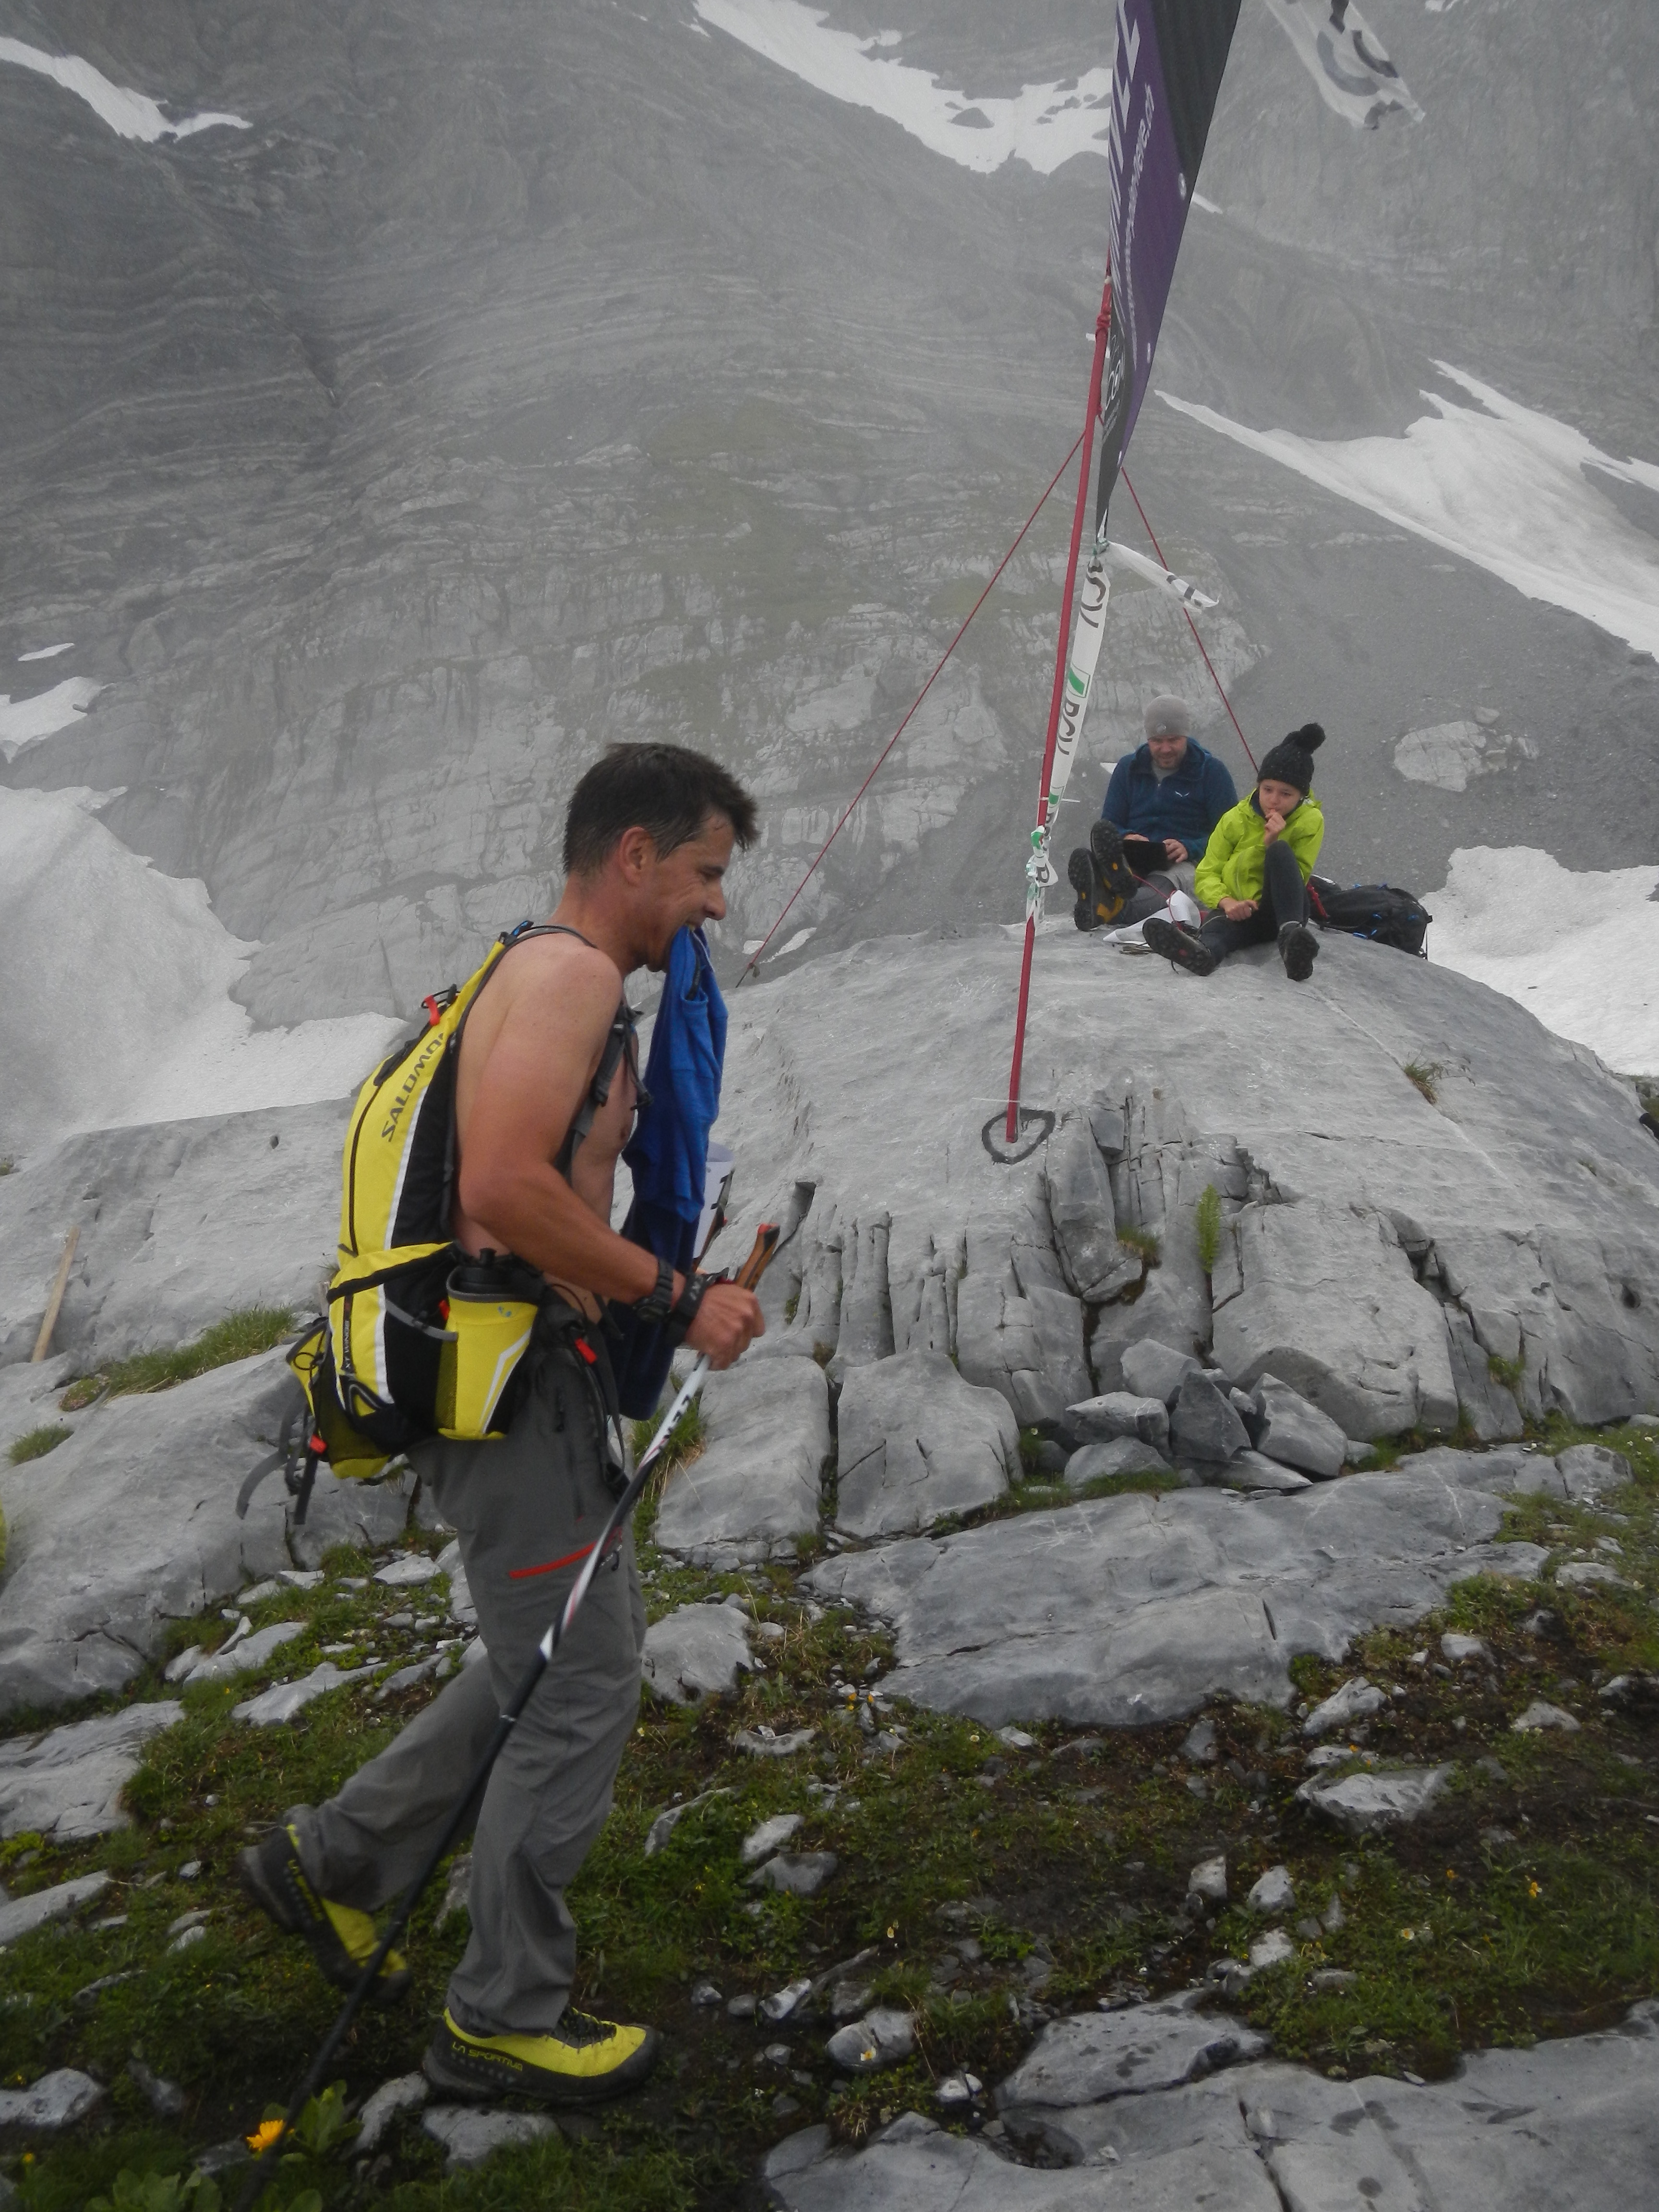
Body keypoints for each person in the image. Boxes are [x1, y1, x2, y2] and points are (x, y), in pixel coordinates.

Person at [238, 743, 765, 2108]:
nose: (715, 903)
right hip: (511, 1380)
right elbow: (504, 1193)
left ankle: (337, 1860)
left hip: (518, 1369)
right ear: (634, 855)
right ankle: (499, 2018)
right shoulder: (571, 976)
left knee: (563, 1650)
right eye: (704, 872)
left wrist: (641, 1300)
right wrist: (676, 1296)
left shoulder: (528, 968)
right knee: (579, 1682)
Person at [1143, 723, 1326, 980]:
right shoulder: (1235, 819)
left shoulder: (1310, 821)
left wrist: (1271, 844)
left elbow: (1299, 875)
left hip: (1283, 912)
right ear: (1259, 786)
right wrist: (1227, 902)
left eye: (1286, 794)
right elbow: (1207, 872)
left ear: (1301, 796)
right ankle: (1204, 954)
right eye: (1267, 790)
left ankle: (1291, 941)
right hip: (1240, 911)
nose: (1274, 800)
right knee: (1218, 929)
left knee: (1280, 851)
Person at [1068, 694, 1238, 931]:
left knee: (1159, 887)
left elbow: (1231, 836)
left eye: (1174, 740)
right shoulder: (1128, 768)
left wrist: (1190, 847)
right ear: (1148, 738)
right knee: (1124, 866)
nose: (1165, 749)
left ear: (1186, 735)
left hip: (1189, 862)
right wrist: (1127, 837)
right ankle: (1111, 888)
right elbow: (1110, 824)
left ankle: (1112, 905)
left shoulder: (1212, 772)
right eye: (1157, 741)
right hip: (1138, 857)